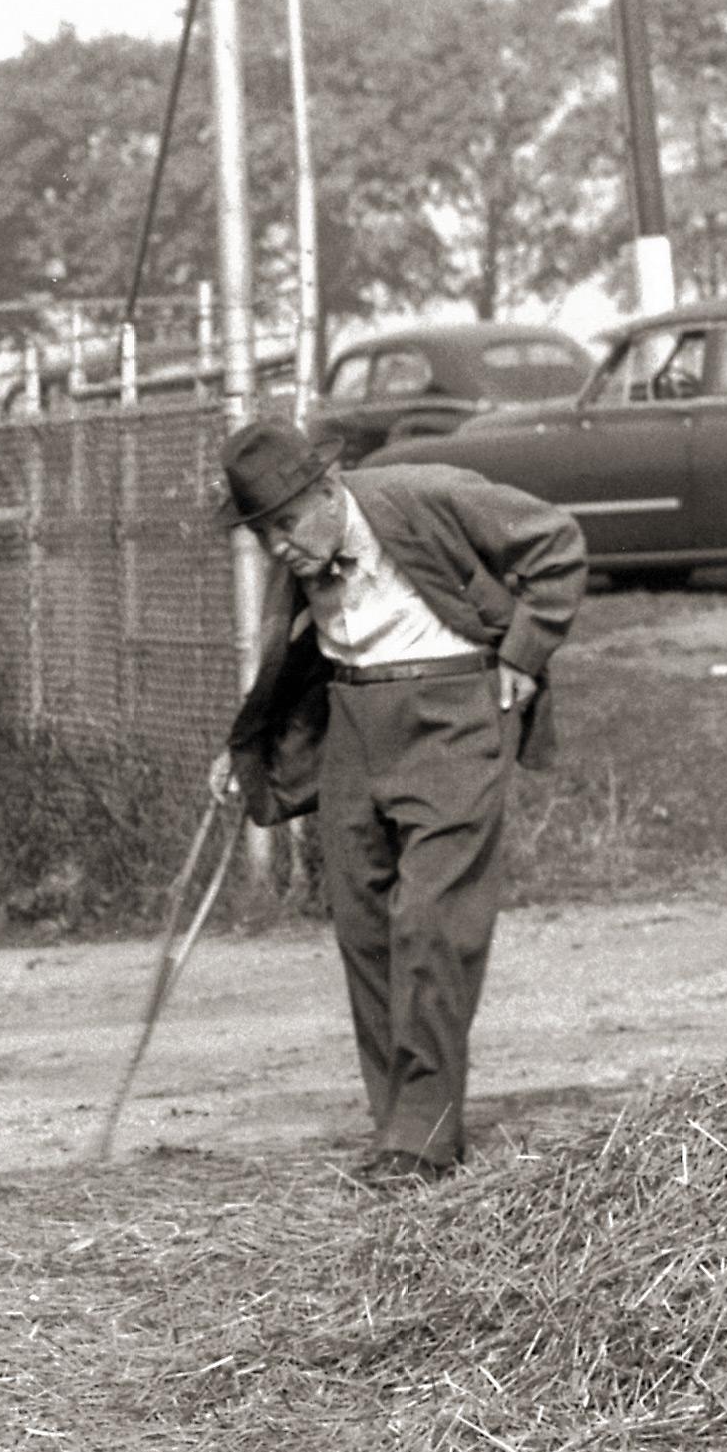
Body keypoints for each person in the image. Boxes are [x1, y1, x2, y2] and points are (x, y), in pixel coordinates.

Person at [208, 420, 586, 1184]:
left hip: (450, 719)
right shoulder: (303, 557)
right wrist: (241, 745)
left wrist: (523, 654)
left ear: (324, 491)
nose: (278, 546)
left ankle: (424, 1136)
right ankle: (396, 1127)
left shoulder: (420, 494)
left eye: (285, 522)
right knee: (365, 928)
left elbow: (555, 541)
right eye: (262, 534)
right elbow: (290, 665)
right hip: (352, 726)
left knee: (431, 924)